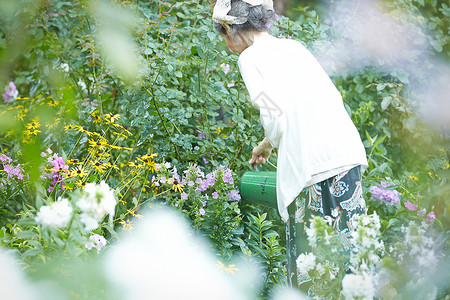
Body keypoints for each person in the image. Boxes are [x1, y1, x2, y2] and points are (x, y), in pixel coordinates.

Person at [213, 0, 368, 291]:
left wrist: (272, 136)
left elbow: (275, 116)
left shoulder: (249, 59)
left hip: (312, 171)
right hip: (344, 156)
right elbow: (314, 103)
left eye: (224, 37)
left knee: (313, 279)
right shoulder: (294, 48)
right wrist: (268, 143)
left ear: (229, 28)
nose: (227, 46)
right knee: (352, 269)